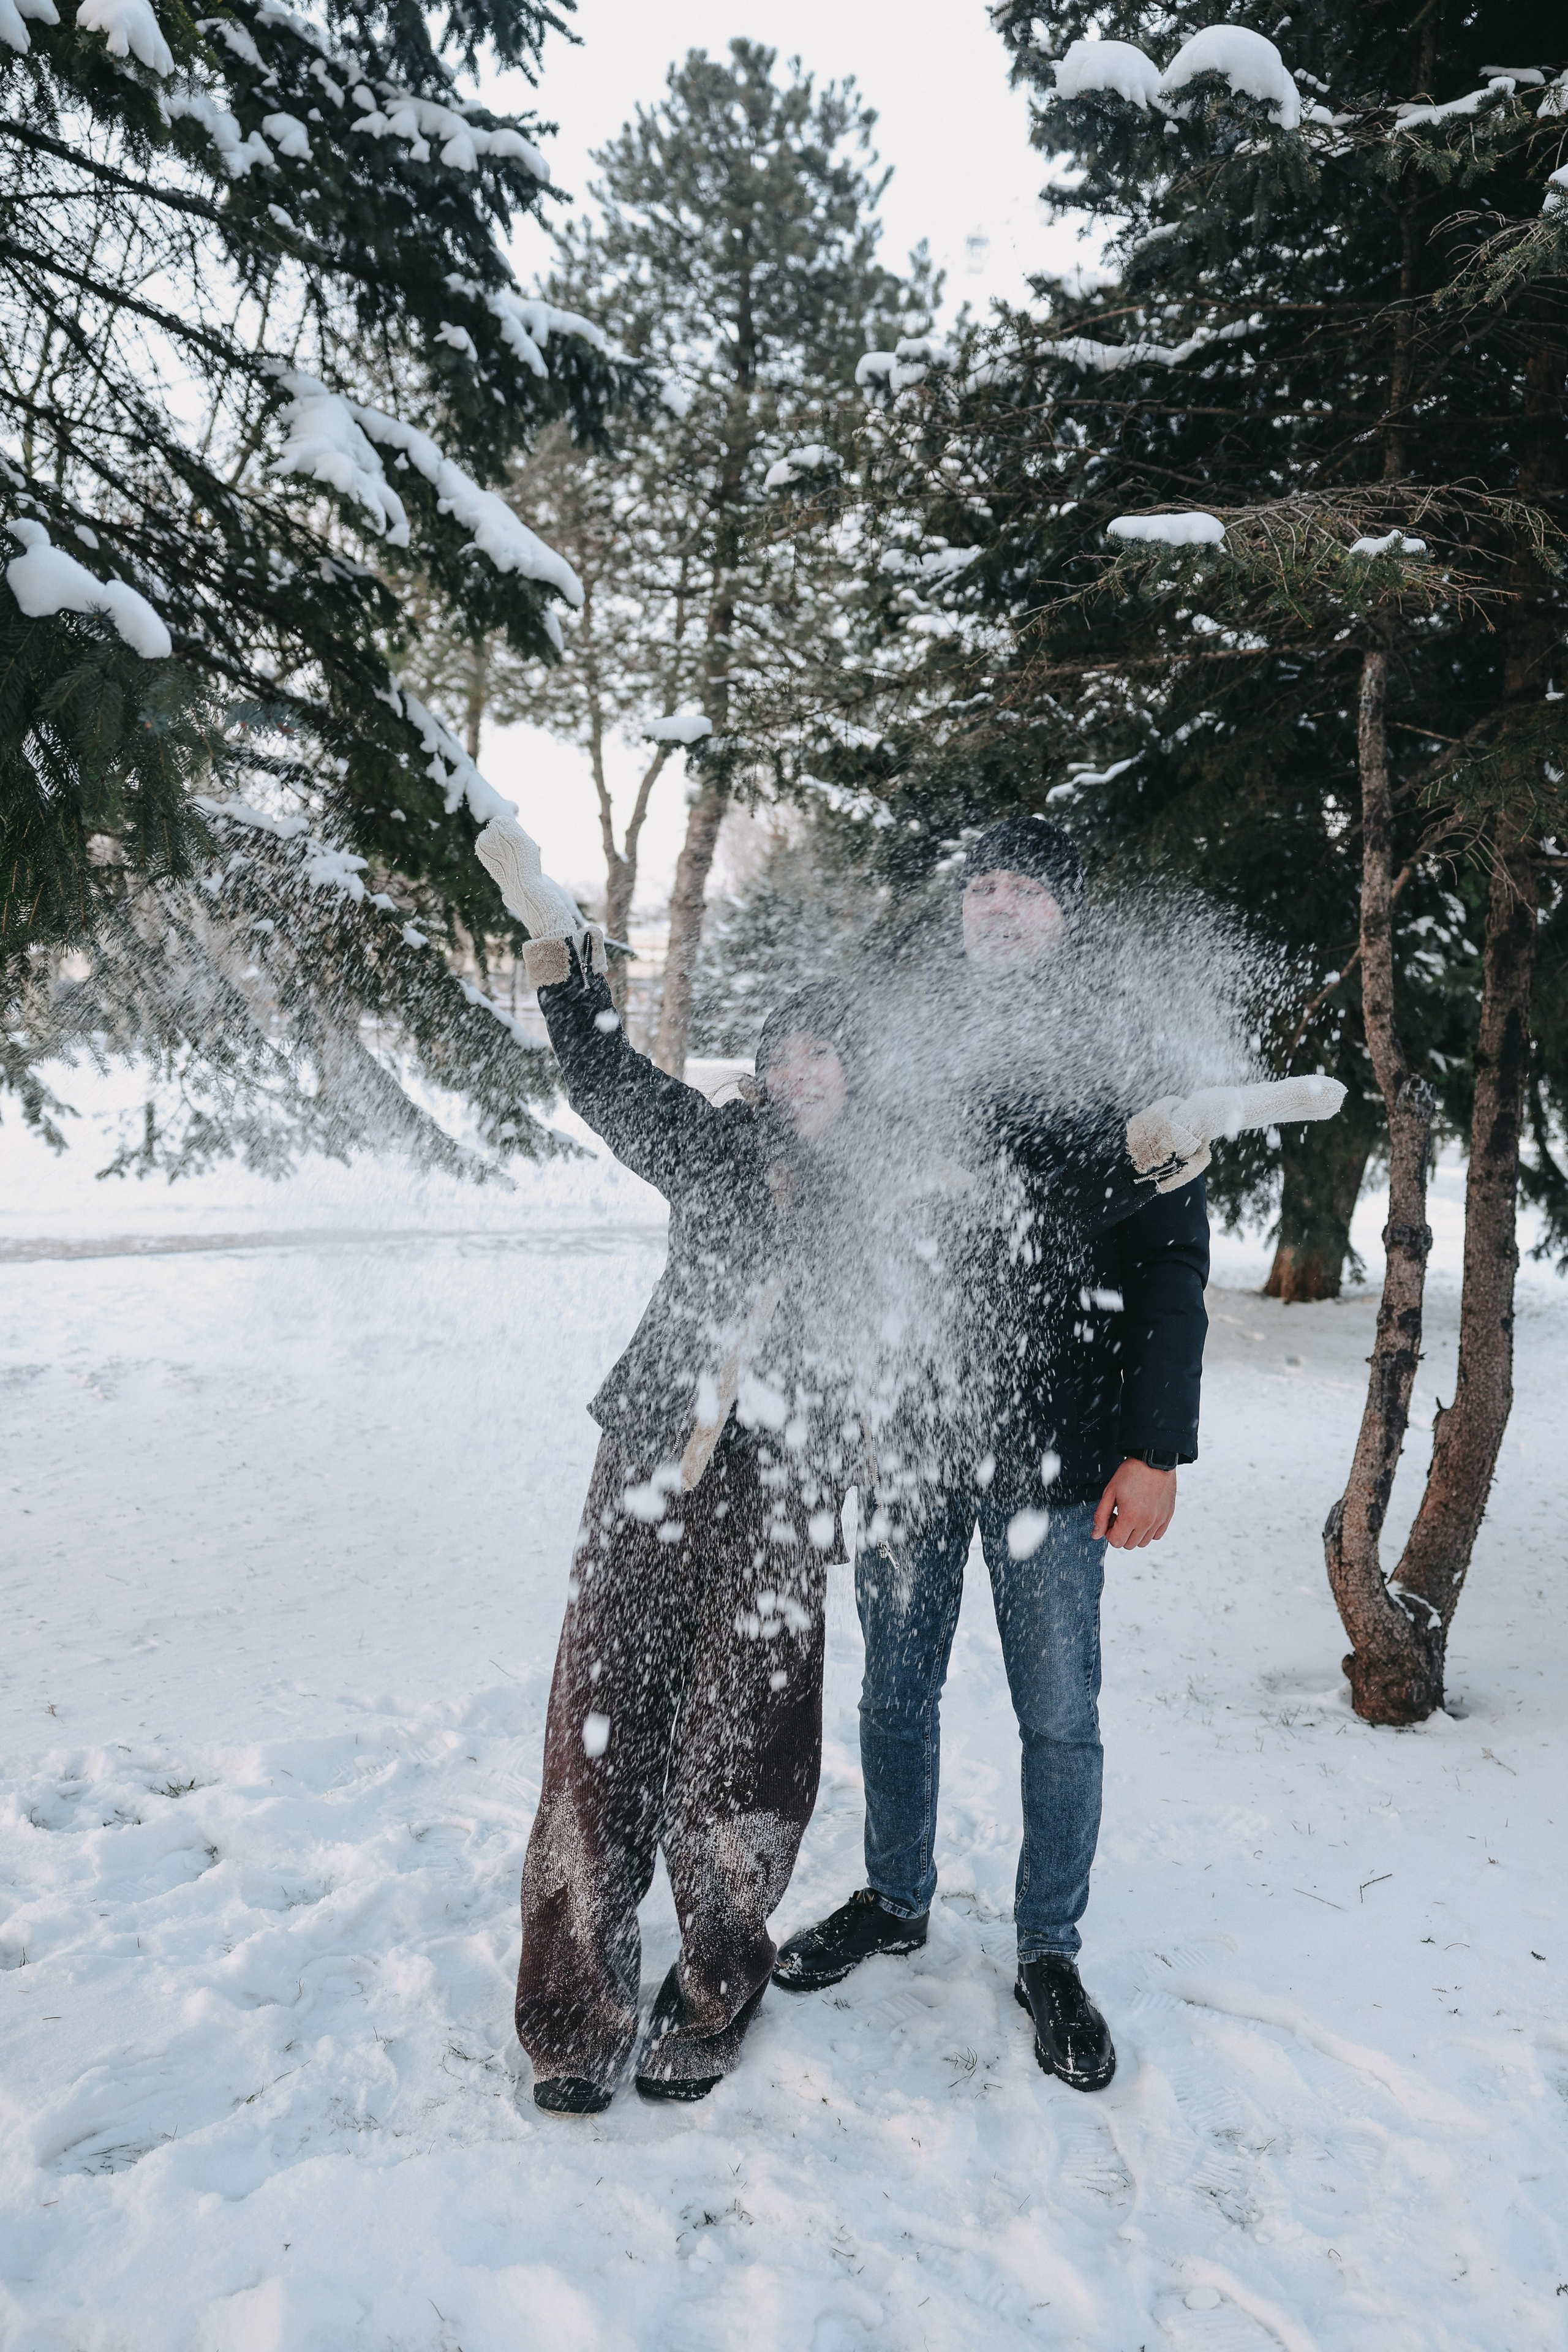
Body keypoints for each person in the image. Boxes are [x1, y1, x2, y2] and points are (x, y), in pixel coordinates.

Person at [773, 818, 1220, 2092]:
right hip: (912, 1430)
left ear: (1065, 910)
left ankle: (1048, 1951)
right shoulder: (910, 1036)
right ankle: (893, 1897)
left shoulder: (1128, 1051)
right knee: (892, 1691)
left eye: (1024, 887)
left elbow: (1171, 1266)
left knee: (1058, 1716)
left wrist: (1154, 1448)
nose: (999, 904)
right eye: (982, 886)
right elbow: (852, 1199)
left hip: (1059, 1448)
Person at [475, 813, 863, 2115]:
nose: (801, 1072)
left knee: (742, 1749)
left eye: (827, 1056)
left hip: (785, 1490)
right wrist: (557, 965)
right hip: (649, 1463)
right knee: (599, 1728)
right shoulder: (716, 1150)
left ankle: (709, 1991)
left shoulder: (886, 1199)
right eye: (785, 1052)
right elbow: (603, 1080)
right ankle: (572, 2012)